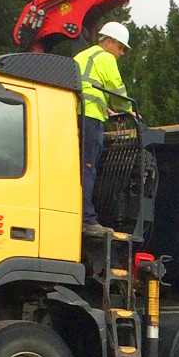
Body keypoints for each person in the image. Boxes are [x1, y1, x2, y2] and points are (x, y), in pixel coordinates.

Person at [75, 21, 134, 235]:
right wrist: (128, 111)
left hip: (73, 115)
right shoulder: (105, 58)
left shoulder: (82, 56)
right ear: (108, 41)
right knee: (88, 168)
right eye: (120, 48)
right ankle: (87, 219)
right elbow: (117, 90)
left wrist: (107, 109)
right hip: (91, 118)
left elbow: (86, 87)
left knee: (76, 168)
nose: (121, 53)